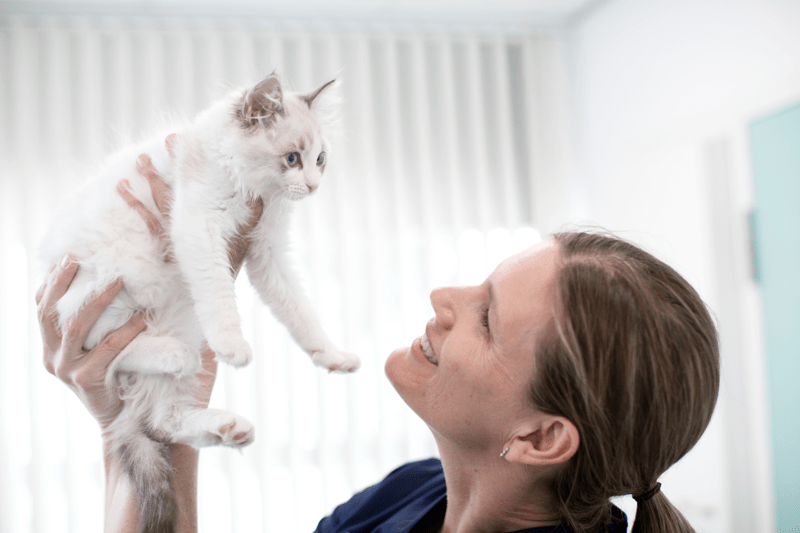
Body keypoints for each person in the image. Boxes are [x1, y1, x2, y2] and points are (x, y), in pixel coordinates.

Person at [36, 156, 720, 533]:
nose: (443, 300)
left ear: (540, 437)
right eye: (479, 284)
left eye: (485, 318)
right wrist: (147, 423)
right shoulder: (415, 494)